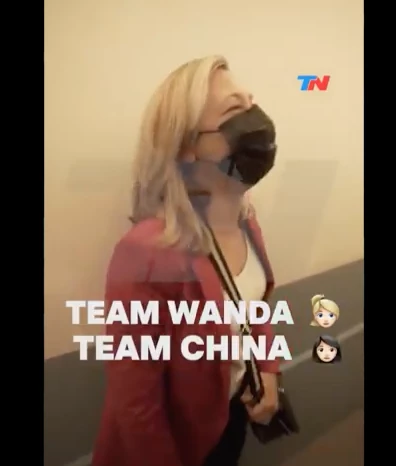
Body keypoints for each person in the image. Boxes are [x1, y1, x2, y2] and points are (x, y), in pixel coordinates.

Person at [91, 55, 280, 466]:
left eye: (251, 104)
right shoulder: (145, 251)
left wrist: (267, 368)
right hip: (175, 444)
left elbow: (254, 308)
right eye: (234, 110)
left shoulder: (247, 222)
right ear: (187, 146)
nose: (257, 121)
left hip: (229, 418)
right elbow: (136, 404)